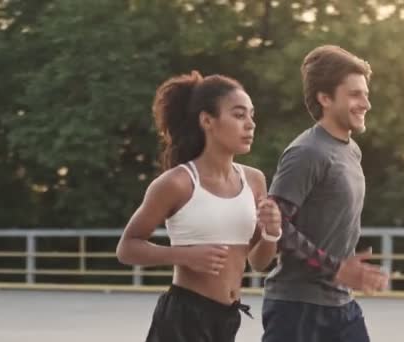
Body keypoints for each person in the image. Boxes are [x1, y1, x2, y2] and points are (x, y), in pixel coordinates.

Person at [116, 70, 282, 342]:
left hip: (228, 319)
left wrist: (272, 232)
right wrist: (185, 256)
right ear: (207, 120)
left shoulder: (254, 180)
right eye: (239, 115)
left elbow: (258, 261)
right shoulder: (177, 183)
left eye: (252, 115)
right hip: (182, 319)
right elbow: (127, 248)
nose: (250, 124)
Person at [259, 45, 390, 342]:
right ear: (325, 98)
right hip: (298, 309)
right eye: (355, 94)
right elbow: (277, 226)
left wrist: (343, 268)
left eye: (366, 94)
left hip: (341, 304)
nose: (366, 103)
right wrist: (336, 268)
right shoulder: (306, 152)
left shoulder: (351, 150)